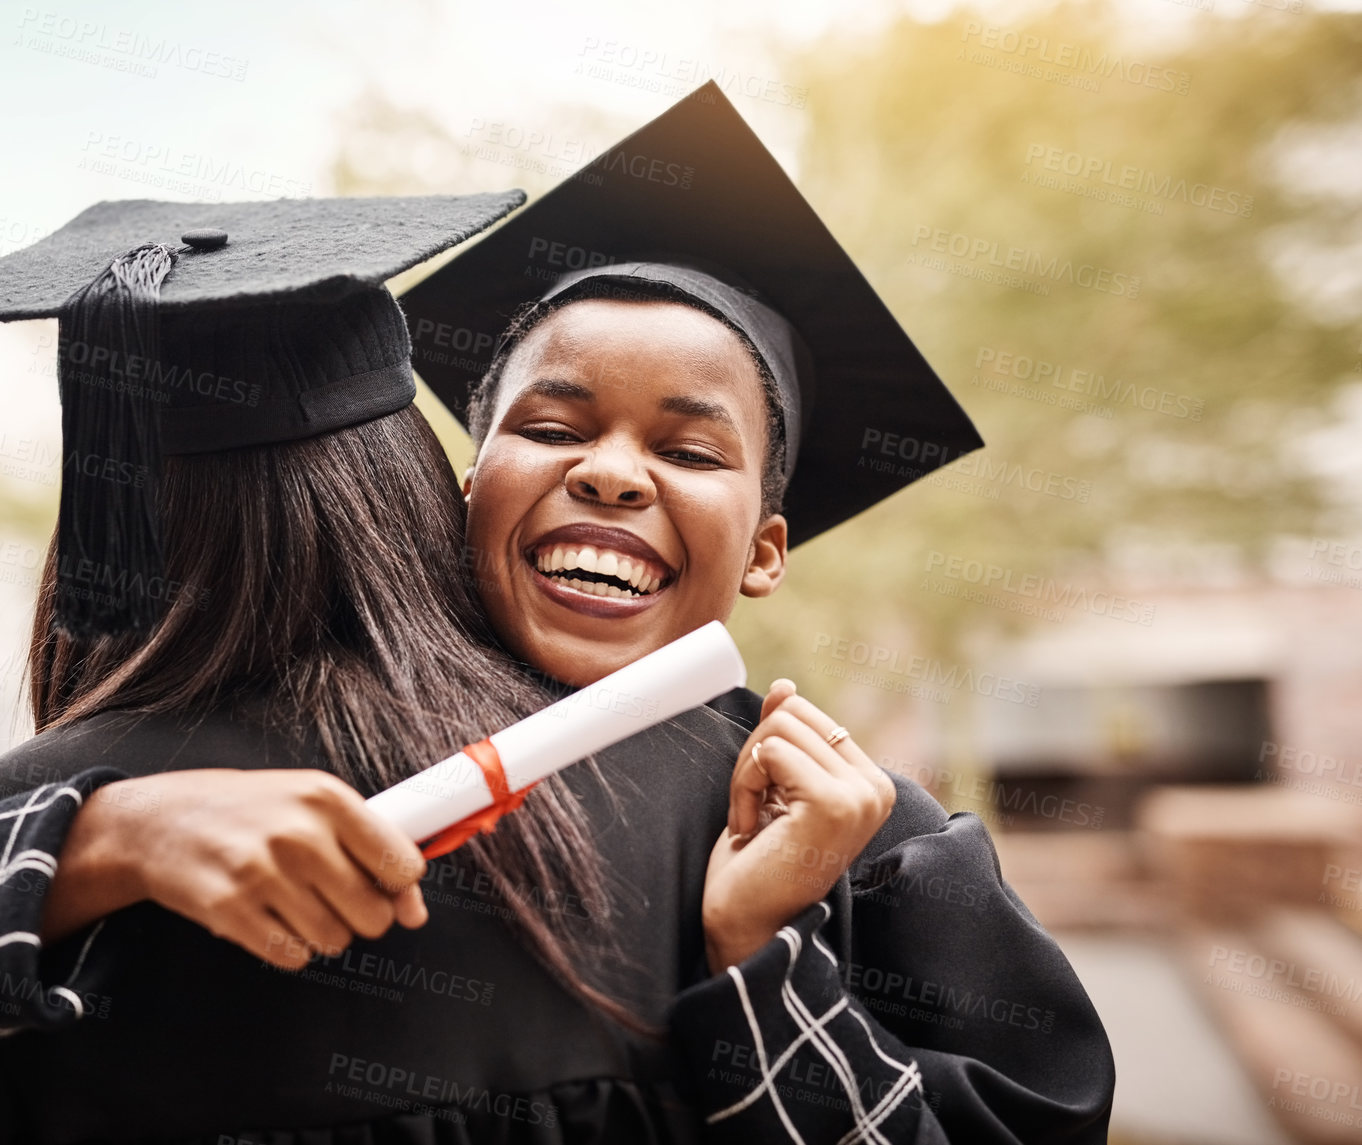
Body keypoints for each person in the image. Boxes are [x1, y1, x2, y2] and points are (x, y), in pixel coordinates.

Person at [0, 191, 811, 1143]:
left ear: (118, 516)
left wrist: (91, 841)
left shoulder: (52, 819)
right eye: (555, 430)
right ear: (432, 479)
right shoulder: (731, 799)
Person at [399, 79, 1117, 1142]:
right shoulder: (340, 758)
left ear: (765, 552)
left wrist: (761, 951)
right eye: (553, 427)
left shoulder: (885, 849)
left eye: (687, 451)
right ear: (465, 493)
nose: (610, 474)